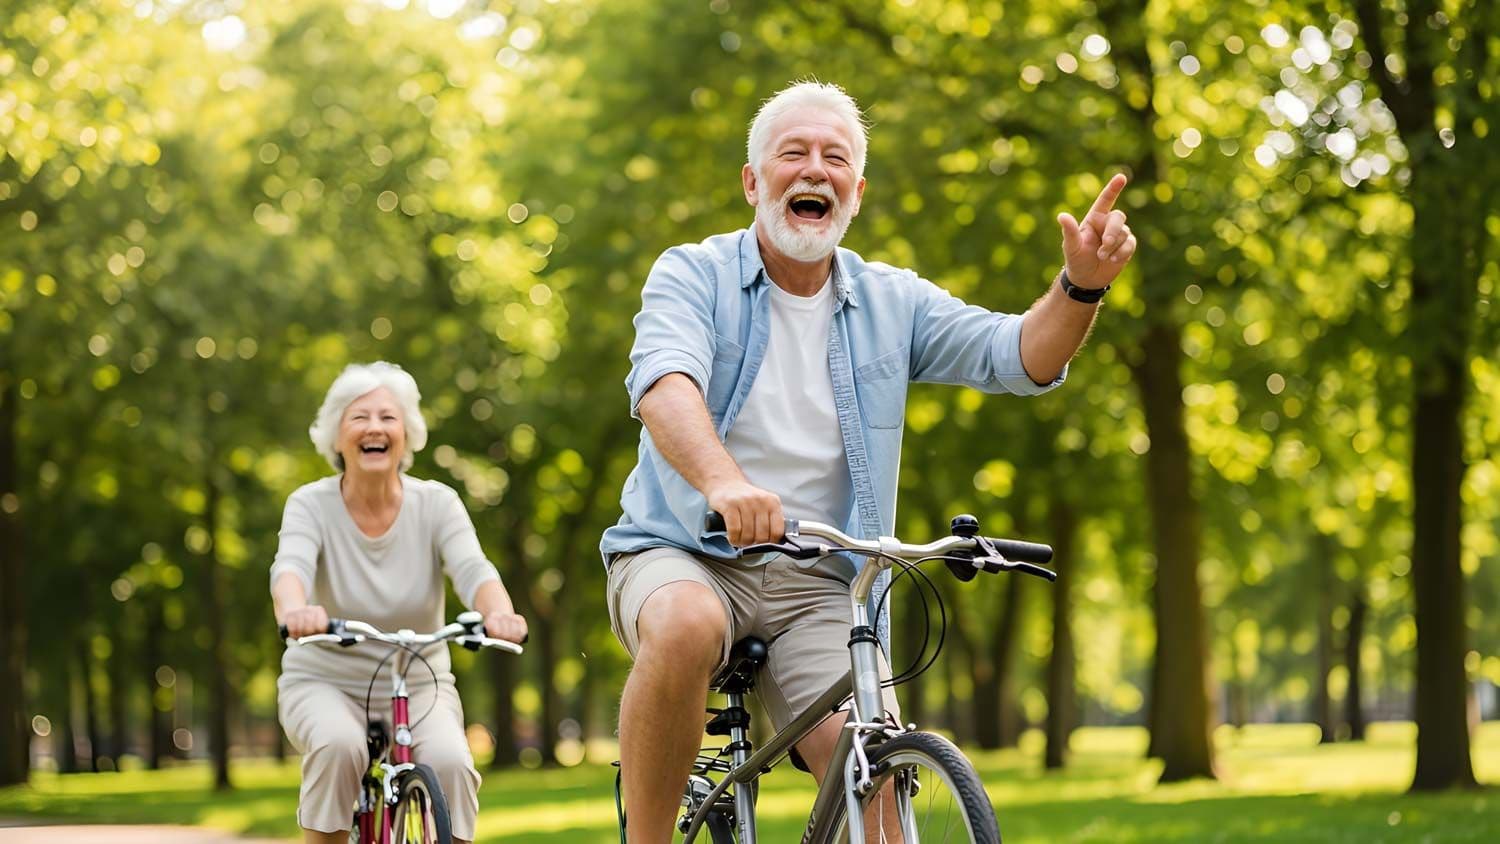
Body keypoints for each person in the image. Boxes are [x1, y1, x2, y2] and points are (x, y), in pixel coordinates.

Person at [600, 81, 1135, 842]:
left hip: (822, 580)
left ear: (856, 190)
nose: (815, 169)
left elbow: (1018, 355)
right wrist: (725, 483)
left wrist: (1081, 285)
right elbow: (664, 385)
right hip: (682, 551)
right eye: (794, 153)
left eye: (836, 158)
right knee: (685, 624)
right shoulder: (693, 274)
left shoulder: (894, 302)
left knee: (872, 764)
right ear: (754, 181)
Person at [271, 361, 528, 844]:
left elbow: (474, 570)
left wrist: (499, 613)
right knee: (338, 747)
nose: (374, 428)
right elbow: (290, 569)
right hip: (326, 680)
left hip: (419, 680)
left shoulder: (437, 504)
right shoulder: (310, 504)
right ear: (337, 436)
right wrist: (294, 611)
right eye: (359, 417)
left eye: (388, 418)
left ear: (407, 435)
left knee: (451, 763)